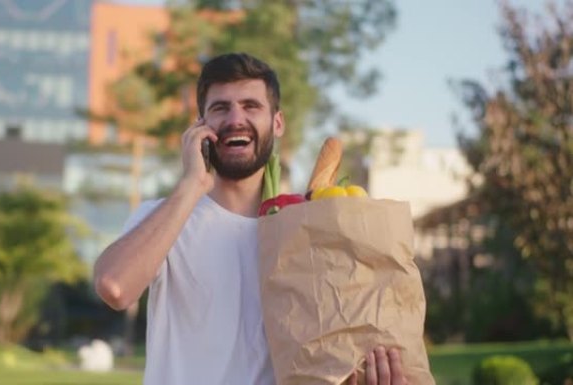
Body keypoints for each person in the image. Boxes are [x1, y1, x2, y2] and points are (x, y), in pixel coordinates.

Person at [94, 52, 408, 385]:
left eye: (251, 106)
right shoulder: (162, 218)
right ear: (200, 126)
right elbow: (115, 287)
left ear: (277, 123)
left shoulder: (310, 229)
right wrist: (191, 185)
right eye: (220, 108)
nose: (235, 119)